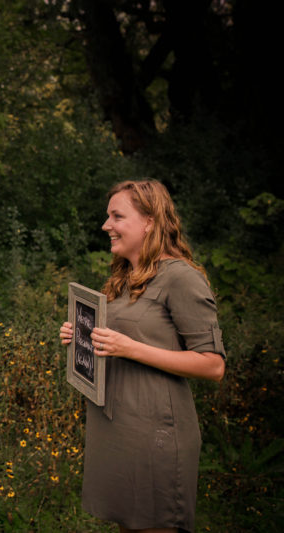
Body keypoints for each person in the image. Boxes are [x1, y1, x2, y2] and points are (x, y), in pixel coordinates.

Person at [59, 180, 225, 533]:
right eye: (108, 217)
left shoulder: (181, 278)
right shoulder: (125, 278)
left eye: (117, 216)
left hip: (156, 433)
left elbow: (213, 365)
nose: (106, 226)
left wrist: (129, 348)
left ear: (150, 221)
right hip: (119, 428)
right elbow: (118, 341)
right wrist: (81, 338)